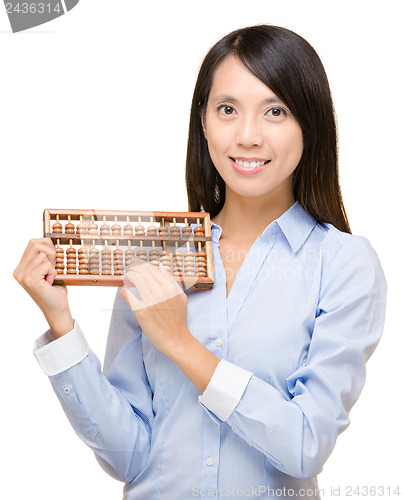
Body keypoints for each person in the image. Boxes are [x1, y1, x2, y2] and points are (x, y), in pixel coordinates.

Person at [14, 25, 387, 500]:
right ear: (204, 122)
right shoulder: (154, 255)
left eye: (275, 111)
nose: (248, 136)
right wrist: (60, 324)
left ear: (309, 124)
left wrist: (181, 343)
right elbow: (127, 457)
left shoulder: (344, 265)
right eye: (227, 110)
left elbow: (305, 445)